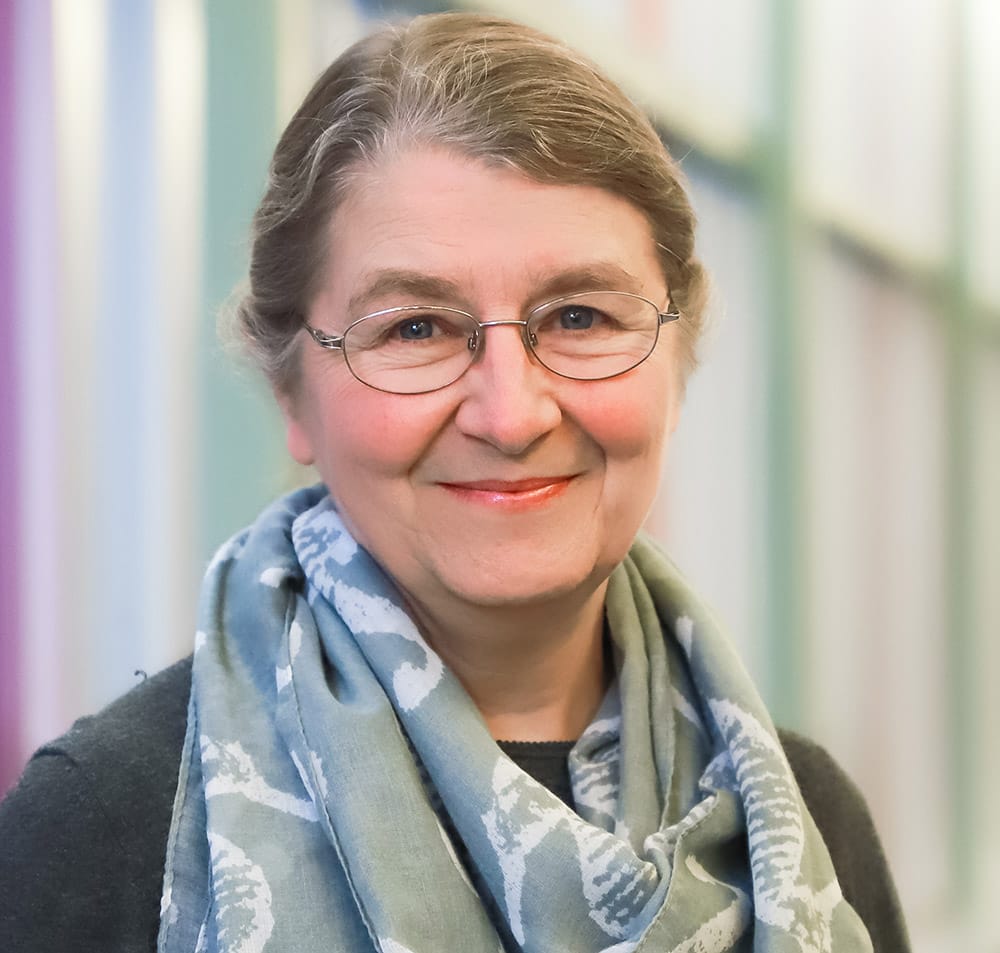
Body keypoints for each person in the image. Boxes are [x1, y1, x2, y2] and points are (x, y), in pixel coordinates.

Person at [0, 12, 909, 953]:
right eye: (416, 328)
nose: (512, 415)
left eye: (580, 316)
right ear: (290, 391)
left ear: (677, 358)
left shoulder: (800, 828)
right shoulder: (108, 834)